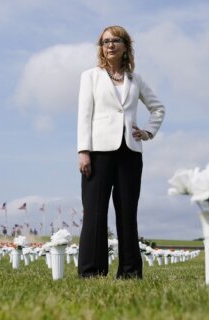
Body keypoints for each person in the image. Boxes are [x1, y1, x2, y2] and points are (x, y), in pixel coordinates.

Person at [77, 25, 165, 279]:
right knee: (94, 212)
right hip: (98, 153)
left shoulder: (135, 79)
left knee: (127, 212)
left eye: (116, 40)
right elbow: (84, 116)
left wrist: (147, 132)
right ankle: (92, 271)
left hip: (130, 153)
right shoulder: (90, 76)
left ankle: (129, 272)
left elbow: (158, 108)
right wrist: (83, 150)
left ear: (126, 46)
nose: (110, 45)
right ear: (101, 48)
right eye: (105, 42)